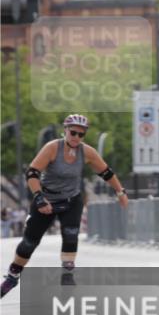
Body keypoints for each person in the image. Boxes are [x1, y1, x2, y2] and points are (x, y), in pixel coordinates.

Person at [1, 114, 129, 298]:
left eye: (81, 134)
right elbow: (32, 173)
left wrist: (120, 192)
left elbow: (106, 173)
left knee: (70, 235)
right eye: (73, 133)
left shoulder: (88, 152)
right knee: (29, 242)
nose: (76, 137)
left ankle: (67, 277)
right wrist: (38, 197)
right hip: (46, 198)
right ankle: (12, 277)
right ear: (65, 130)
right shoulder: (52, 148)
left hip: (71, 200)